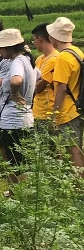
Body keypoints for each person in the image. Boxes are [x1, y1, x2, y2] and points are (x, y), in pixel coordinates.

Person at [0, 29, 36, 180]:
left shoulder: (17, 62)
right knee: (22, 160)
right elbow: (40, 78)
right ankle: (18, 193)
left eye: (1, 48)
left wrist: (15, 94)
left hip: (13, 121)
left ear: (8, 48)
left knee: (13, 161)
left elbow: (16, 80)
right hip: (26, 117)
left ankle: (16, 194)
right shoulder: (27, 61)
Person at [47, 17, 84, 175]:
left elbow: (61, 88)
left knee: (74, 149)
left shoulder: (62, 57)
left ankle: (79, 186)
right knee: (77, 147)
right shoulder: (77, 52)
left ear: (54, 37)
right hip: (78, 105)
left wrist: (55, 113)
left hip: (68, 110)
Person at [31, 23, 59, 125]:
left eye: (34, 40)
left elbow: (38, 87)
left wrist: (35, 82)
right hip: (37, 111)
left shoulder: (54, 59)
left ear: (40, 39)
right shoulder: (39, 59)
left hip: (47, 113)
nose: (34, 43)